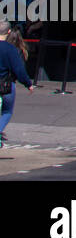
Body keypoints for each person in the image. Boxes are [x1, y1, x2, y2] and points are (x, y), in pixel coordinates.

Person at [0, 21, 35, 149]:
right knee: (7, 111)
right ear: (8, 32)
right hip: (6, 85)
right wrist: (28, 84)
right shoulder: (11, 49)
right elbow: (18, 70)